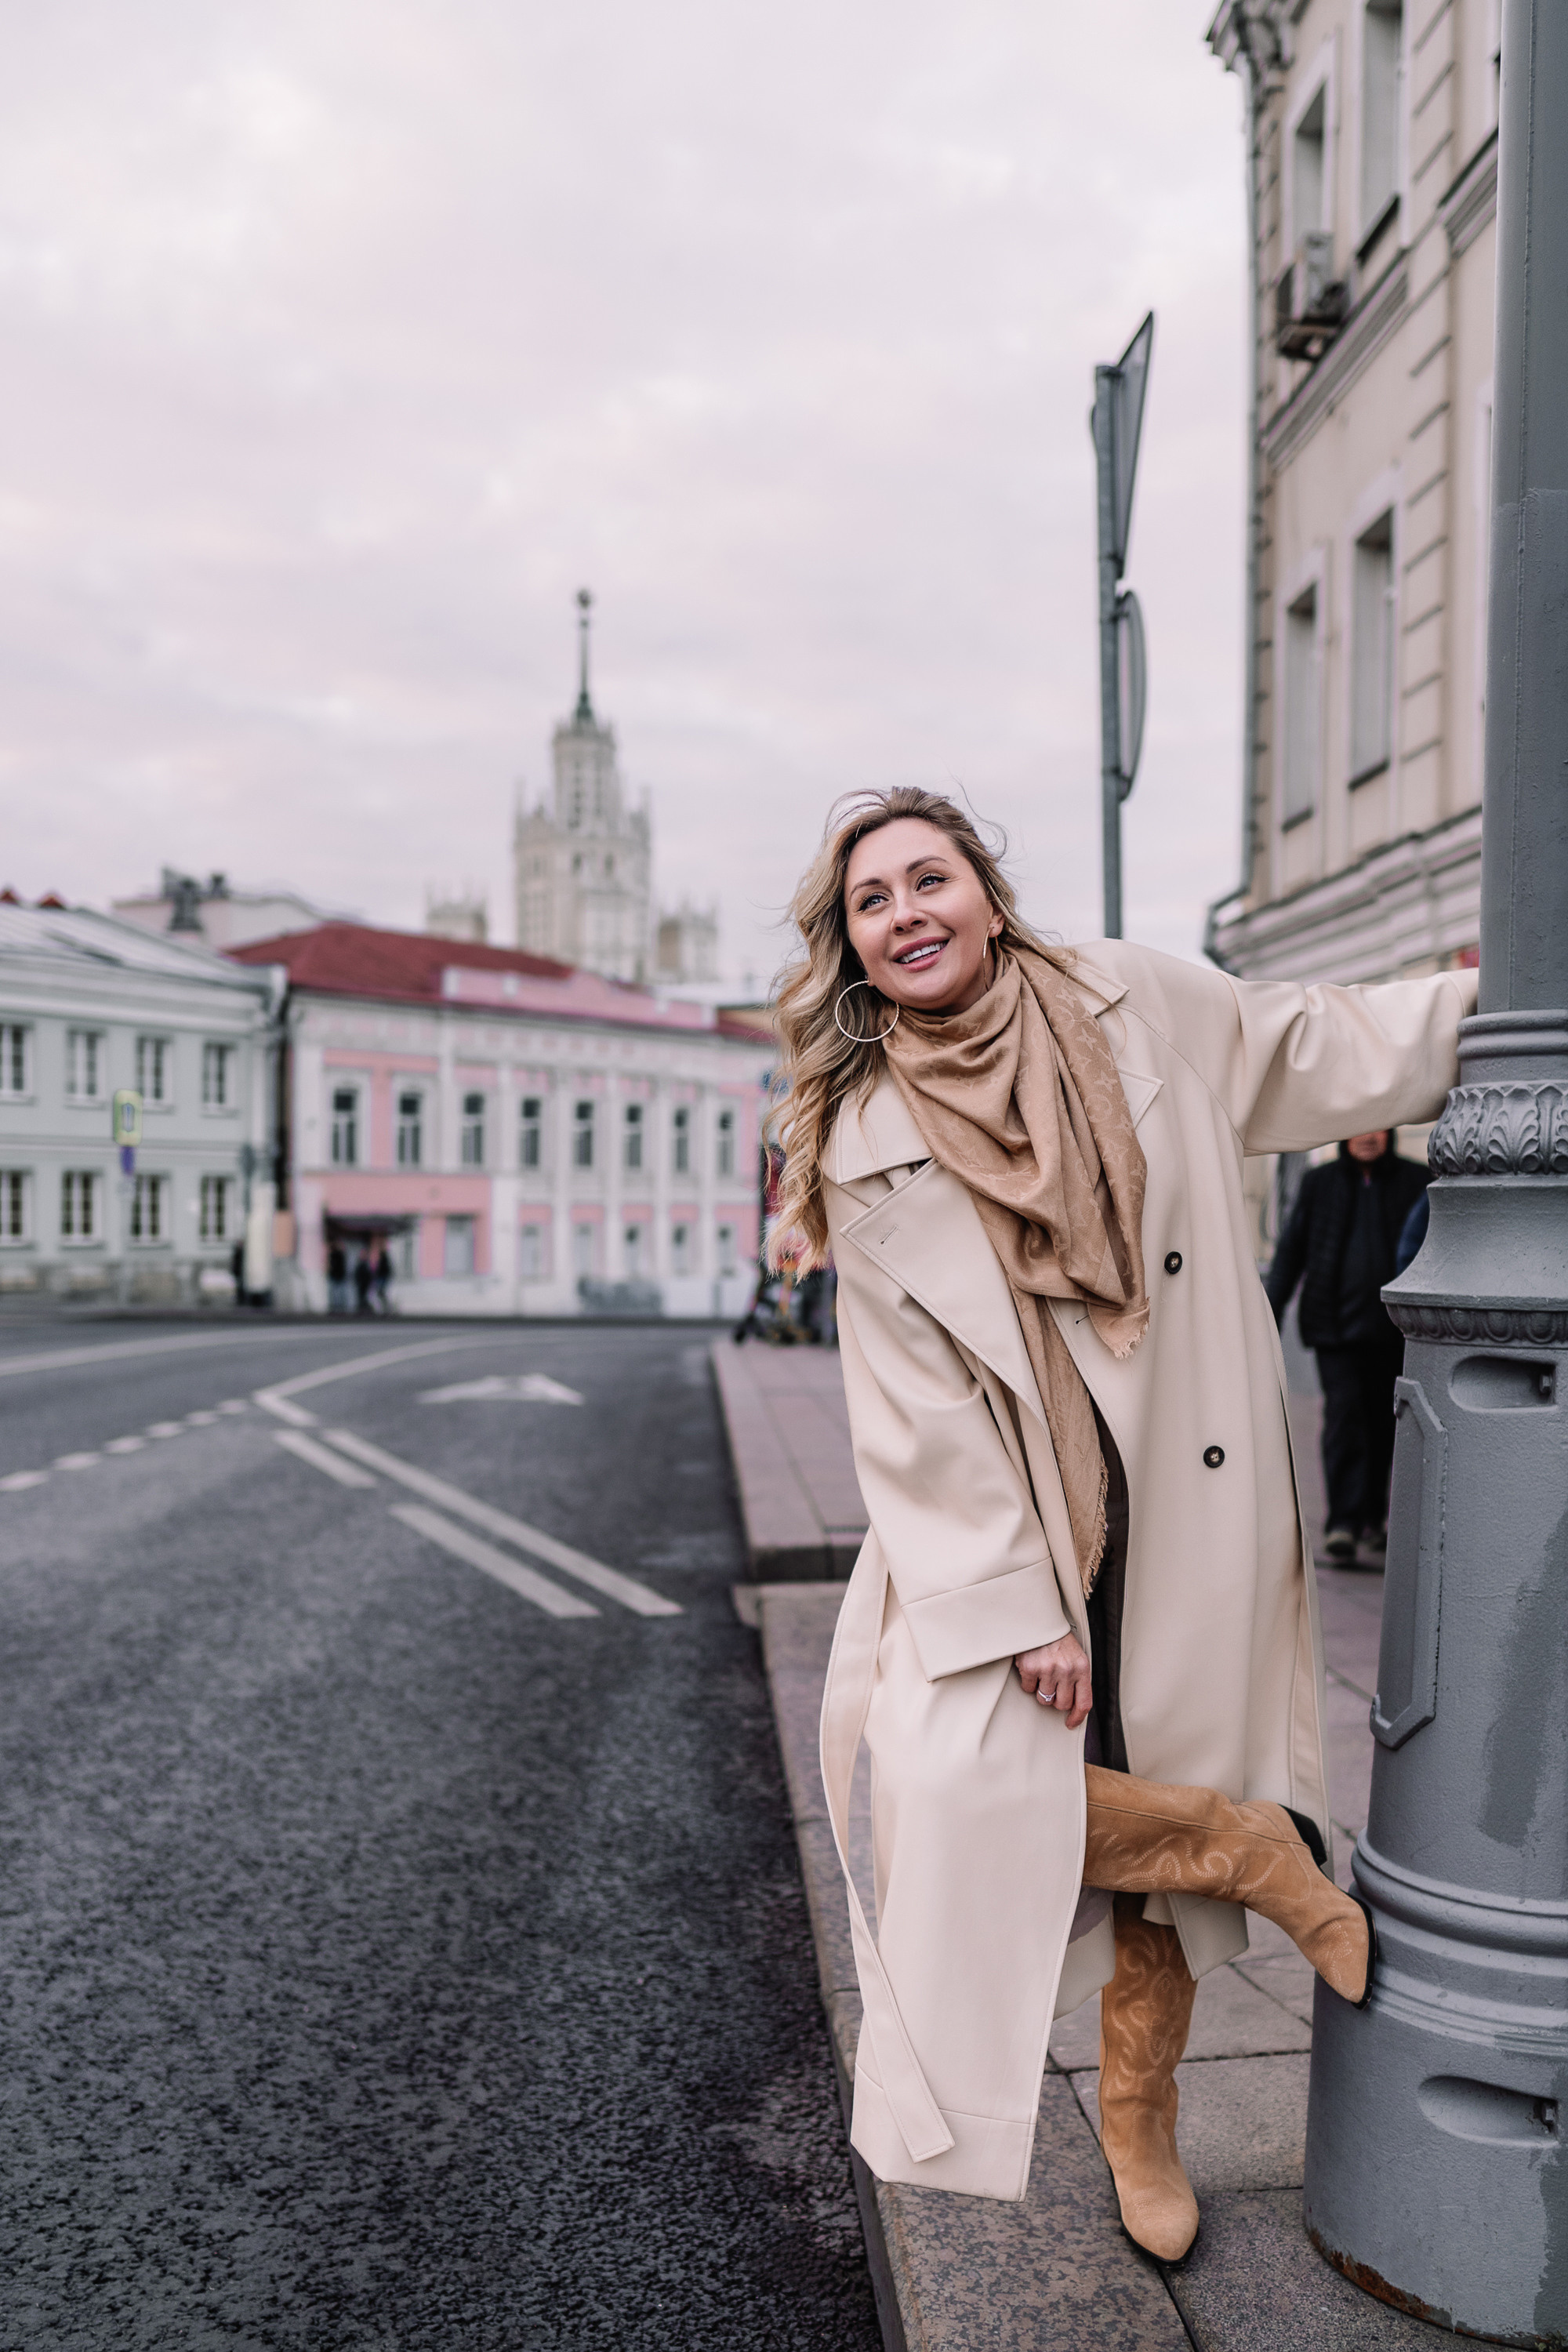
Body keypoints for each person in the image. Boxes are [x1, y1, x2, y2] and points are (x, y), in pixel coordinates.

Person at [771, 786, 1475, 2258]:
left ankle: (1140, 2113)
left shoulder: (1130, 999)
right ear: (849, 947)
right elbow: (914, 1414)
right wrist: (1017, 1601)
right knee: (957, 1788)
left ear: (985, 890)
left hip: (1187, 1476)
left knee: (1150, 1751)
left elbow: (1301, 1044)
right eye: (872, 902)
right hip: (1021, 1515)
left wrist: (1474, 1001)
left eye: (928, 879)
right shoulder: (863, 1134)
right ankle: (1249, 1849)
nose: (907, 914)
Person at [1264, 1134, 1429, 1563]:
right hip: (1333, 1331)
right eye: (1360, 1128)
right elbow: (1290, 1253)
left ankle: (1372, 1519)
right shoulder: (1321, 1182)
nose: (1368, 1137)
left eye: (1377, 1128)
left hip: (1394, 1333)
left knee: (1383, 1426)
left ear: (1390, 1134)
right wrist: (1268, 1315)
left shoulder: (1415, 1181)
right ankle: (1342, 1522)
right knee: (1344, 1419)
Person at [327, 1240, 348, 1315]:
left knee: (337, 1293)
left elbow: (337, 1266)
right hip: (336, 1276)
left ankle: (338, 1308)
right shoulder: (337, 1255)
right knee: (336, 1293)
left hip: (337, 1276)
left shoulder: (338, 1255)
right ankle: (337, 1307)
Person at [372, 1241, 394, 1315]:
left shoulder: (383, 1258)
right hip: (382, 1278)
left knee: (381, 1293)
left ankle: (386, 1307)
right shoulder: (384, 1258)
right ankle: (385, 1307)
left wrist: (378, 1275)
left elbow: (383, 1269)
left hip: (382, 1278)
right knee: (381, 1293)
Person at [353, 1247, 374, 1316]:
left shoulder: (366, 1264)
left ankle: (364, 1309)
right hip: (361, 1284)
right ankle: (361, 1310)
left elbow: (369, 1274)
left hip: (365, 1284)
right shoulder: (360, 1264)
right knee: (361, 1297)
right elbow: (357, 1274)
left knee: (364, 1297)